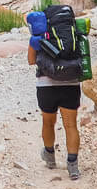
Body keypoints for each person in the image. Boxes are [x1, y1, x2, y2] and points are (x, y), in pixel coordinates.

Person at [28, 36, 81, 180]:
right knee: (70, 125)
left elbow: (31, 60)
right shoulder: (71, 29)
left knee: (48, 122)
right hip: (71, 83)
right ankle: (73, 166)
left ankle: (50, 156)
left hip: (46, 85)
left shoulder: (39, 30)